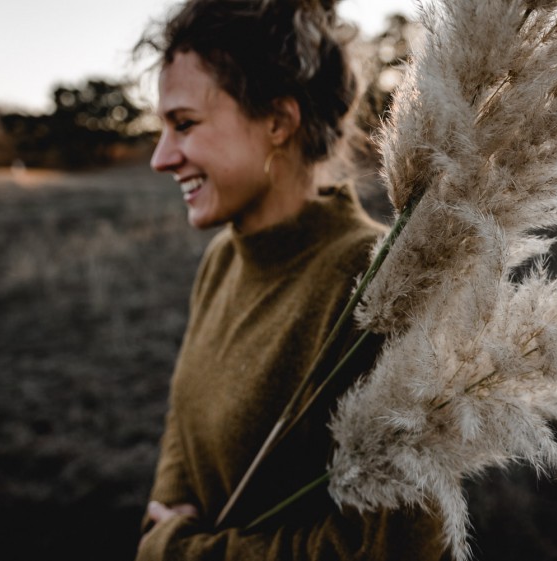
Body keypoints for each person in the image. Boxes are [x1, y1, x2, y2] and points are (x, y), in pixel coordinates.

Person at [134, 1, 446, 559]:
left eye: (183, 124)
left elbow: (392, 549)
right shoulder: (223, 258)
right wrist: (169, 505)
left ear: (278, 121)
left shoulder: (379, 282)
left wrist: (180, 552)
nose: (161, 158)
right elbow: (184, 415)